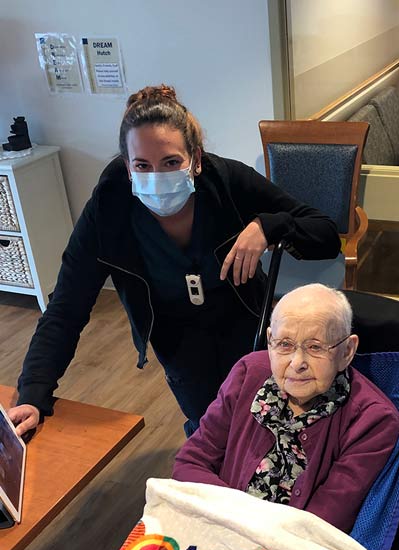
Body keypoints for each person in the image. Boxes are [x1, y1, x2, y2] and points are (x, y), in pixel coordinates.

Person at [8, 85, 340, 438]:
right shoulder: (108, 212)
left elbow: (325, 234)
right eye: (142, 165)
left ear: (196, 159)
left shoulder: (228, 182)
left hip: (248, 327)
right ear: (127, 167)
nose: (157, 176)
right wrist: (33, 394)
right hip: (178, 342)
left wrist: (268, 226)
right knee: (212, 430)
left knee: (267, 421)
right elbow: (66, 308)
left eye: (170, 162)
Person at [173, 284, 399, 533]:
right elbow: (190, 462)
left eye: (315, 347)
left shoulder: (373, 420)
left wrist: (236, 519)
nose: (297, 363)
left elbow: (320, 524)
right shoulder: (247, 373)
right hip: (218, 528)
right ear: (270, 341)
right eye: (284, 344)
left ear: (346, 352)